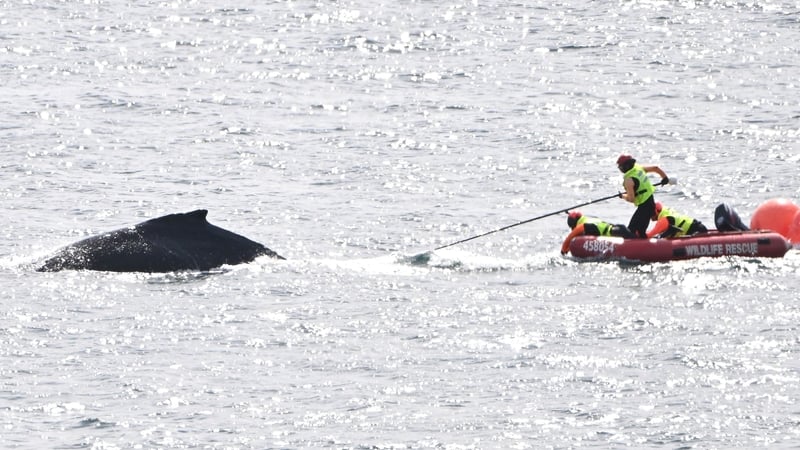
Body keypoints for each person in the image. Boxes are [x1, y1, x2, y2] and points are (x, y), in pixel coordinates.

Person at [617, 154, 669, 238]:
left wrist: (622, 196)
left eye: (620, 167)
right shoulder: (638, 168)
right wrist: (664, 178)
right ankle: (645, 245)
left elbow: (631, 199)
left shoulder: (629, 180)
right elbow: (655, 168)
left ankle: (638, 248)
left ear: (625, 167)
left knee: (632, 230)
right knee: (639, 230)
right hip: (651, 203)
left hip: (644, 207)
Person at [561, 210, 635, 255]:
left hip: (617, 232)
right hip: (618, 229)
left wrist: (563, 250)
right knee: (637, 237)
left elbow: (571, 236)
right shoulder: (590, 220)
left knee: (635, 239)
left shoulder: (583, 225)